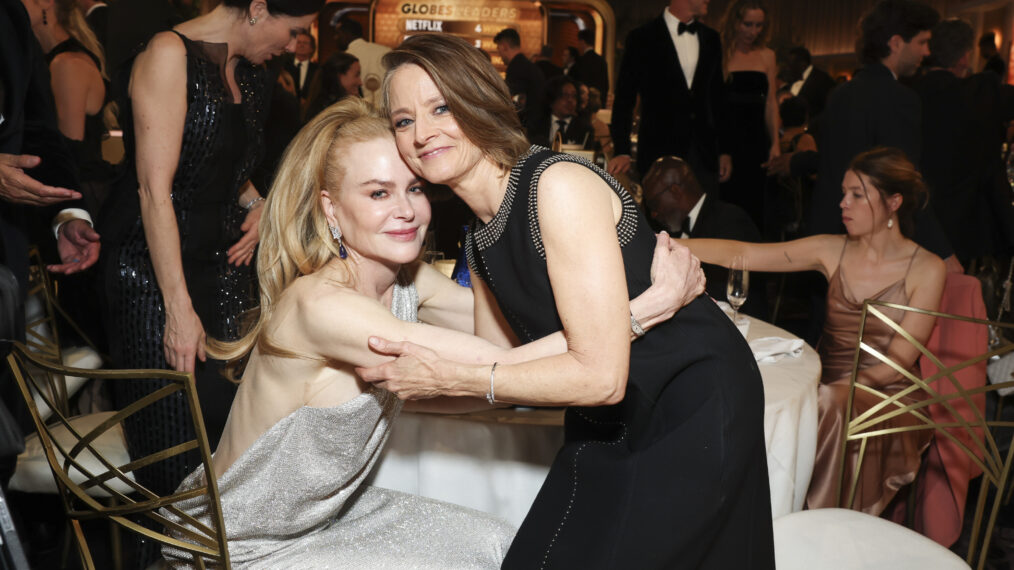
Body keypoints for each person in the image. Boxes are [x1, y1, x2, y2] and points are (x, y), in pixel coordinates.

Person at [162, 97, 700, 568]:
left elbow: (497, 346)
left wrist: (507, 240)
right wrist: (644, 308)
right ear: (331, 209)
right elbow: (499, 368)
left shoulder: (406, 282)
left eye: (414, 189)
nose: (406, 212)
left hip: (322, 519)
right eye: (378, 194)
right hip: (243, 545)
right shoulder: (322, 307)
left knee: (507, 544)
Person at [369, 33, 774, 569]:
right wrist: (402, 392)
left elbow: (598, 375)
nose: (421, 133)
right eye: (403, 120)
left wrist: (451, 378)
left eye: (440, 107)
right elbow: (503, 370)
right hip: (608, 416)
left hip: (691, 398)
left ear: (480, 99)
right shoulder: (481, 235)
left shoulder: (553, 185)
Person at [98, 0, 322, 514]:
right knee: (173, 440)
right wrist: (177, 309)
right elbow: (155, 191)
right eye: (291, 31)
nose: (292, 45)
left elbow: (226, 166)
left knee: (233, 423)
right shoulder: (167, 53)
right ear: (258, 9)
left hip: (222, 266)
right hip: (152, 274)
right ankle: (168, 553)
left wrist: (259, 203)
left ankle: (227, 551)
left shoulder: (253, 72)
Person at [684, 147, 946, 514]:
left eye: (857, 194)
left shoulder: (927, 268)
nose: (843, 203)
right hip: (829, 384)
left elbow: (900, 360)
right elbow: (743, 253)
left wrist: (840, 390)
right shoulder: (831, 249)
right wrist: (672, 245)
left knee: (828, 404)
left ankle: (812, 522)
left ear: (894, 202)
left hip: (889, 395)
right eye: (843, 192)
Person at [609, 0, 732, 197]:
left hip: (704, 153)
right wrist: (622, 150)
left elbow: (718, 99)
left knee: (706, 223)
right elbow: (625, 97)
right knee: (660, 223)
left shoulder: (711, 38)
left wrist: (724, 150)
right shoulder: (642, 38)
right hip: (659, 149)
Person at [642, 155, 767, 319]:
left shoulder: (730, 219)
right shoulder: (675, 228)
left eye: (654, 203)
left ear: (675, 191)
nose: (654, 213)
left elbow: (726, 292)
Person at [32, 0, 113, 215]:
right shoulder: (46, 61)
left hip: (75, 201)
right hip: (60, 194)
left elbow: (68, 153)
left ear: (44, 3)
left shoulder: (67, 64)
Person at [717, 0, 778, 235]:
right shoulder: (720, 52)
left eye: (759, 25)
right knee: (727, 205)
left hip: (756, 142)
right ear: (735, 22)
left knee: (755, 206)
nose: (754, 31)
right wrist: (722, 148)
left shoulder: (767, 56)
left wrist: (774, 144)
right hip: (727, 141)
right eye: (748, 24)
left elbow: (771, 102)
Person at [494, 27, 544, 135]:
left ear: (504, 47)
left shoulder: (516, 68)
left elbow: (513, 102)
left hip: (527, 129)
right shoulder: (529, 66)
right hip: (537, 126)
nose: (499, 55)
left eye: (498, 49)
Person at [334, 17, 389, 108]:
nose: (335, 38)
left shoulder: (345, 58)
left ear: (346, 34)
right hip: (386, 111)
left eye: (337, 34)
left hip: (358, 112)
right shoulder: (385, 51)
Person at [529, 75, 593, 149]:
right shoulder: (536, 125)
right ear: (552, 99)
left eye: (574, 96)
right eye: (565, 95)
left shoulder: (584, 129)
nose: (570, 100)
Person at [302, 50, 361, 123]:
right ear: (340, 76)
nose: (360, 82)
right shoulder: (333, 112)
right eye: (357, 75)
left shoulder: (322, 104)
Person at [571, 28, 608, 98]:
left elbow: (575, 83)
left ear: (582, 41)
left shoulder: (580, 61)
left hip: (583, 99)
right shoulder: (602, 61)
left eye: (578, 42)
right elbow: (605, 86)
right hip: (597, 100)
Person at [283, 29, 316, 100]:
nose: (301, 45)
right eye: (299, 42)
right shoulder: (284, 67)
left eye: (305, 43)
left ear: (312, 48)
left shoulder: (317, 70)